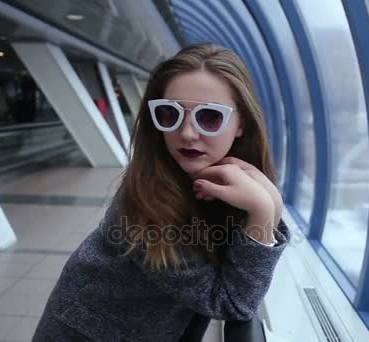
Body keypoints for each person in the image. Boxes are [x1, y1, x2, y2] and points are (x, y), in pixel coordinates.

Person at [32, 43, 290, 342]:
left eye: (209, 117)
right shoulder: (145, 203)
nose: (188, 133)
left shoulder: (221, 181)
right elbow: (233, 304)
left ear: (241, 123)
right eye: (169, 114)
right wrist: (264, 209)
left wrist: (270, 204)